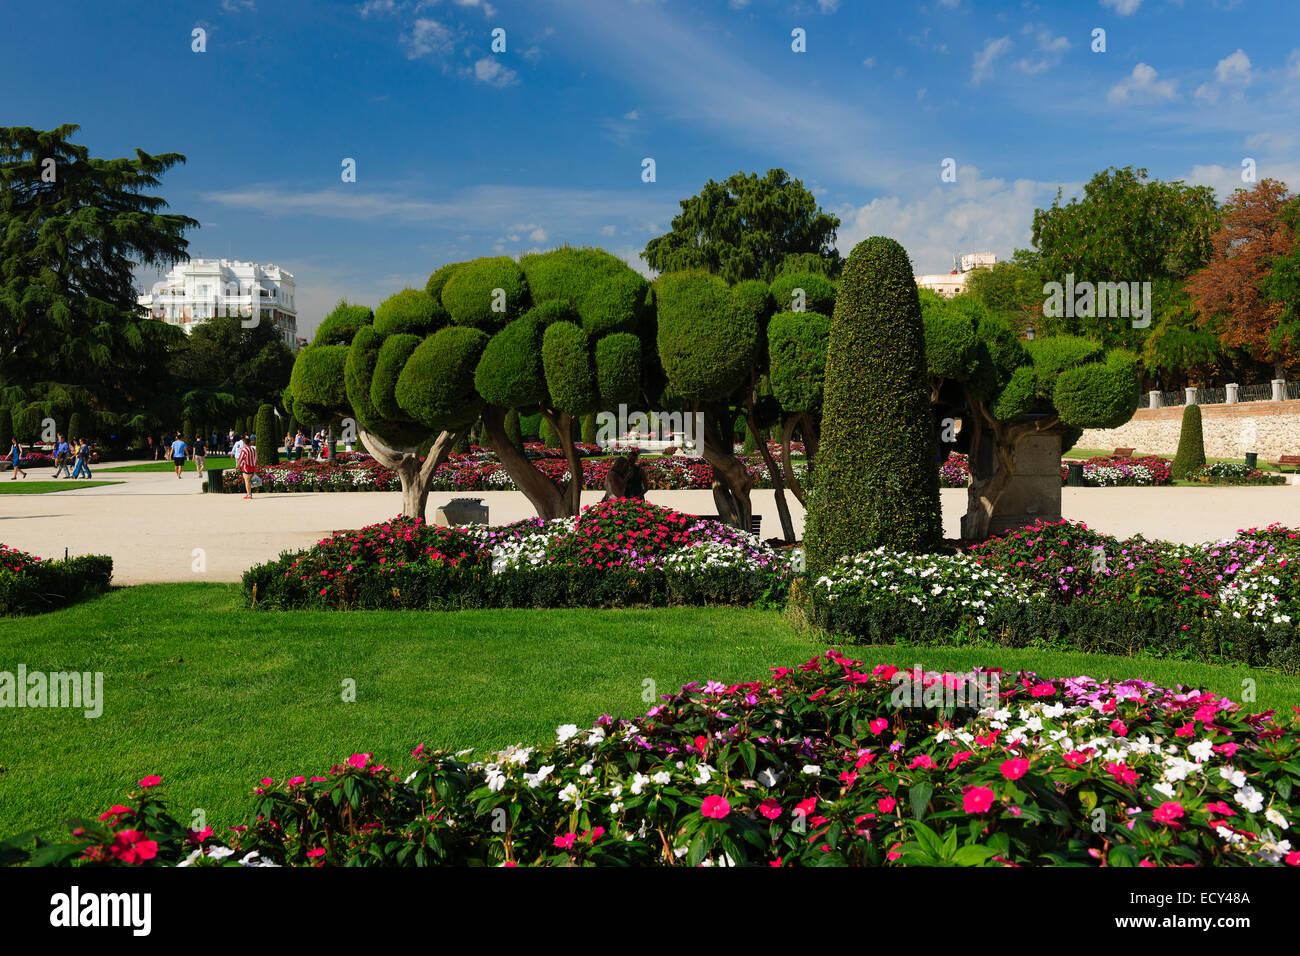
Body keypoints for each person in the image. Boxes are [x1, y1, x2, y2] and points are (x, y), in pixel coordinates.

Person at [236, 434, 258, 499]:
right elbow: (256, 459)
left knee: (247, 481)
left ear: (244, 443)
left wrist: (237, 466)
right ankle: (249, 493)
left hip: (247, 468)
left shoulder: (244, 450)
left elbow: (240, 459)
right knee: (249, 481)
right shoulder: (253, 449)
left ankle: (249, 494)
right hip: (253, 467)